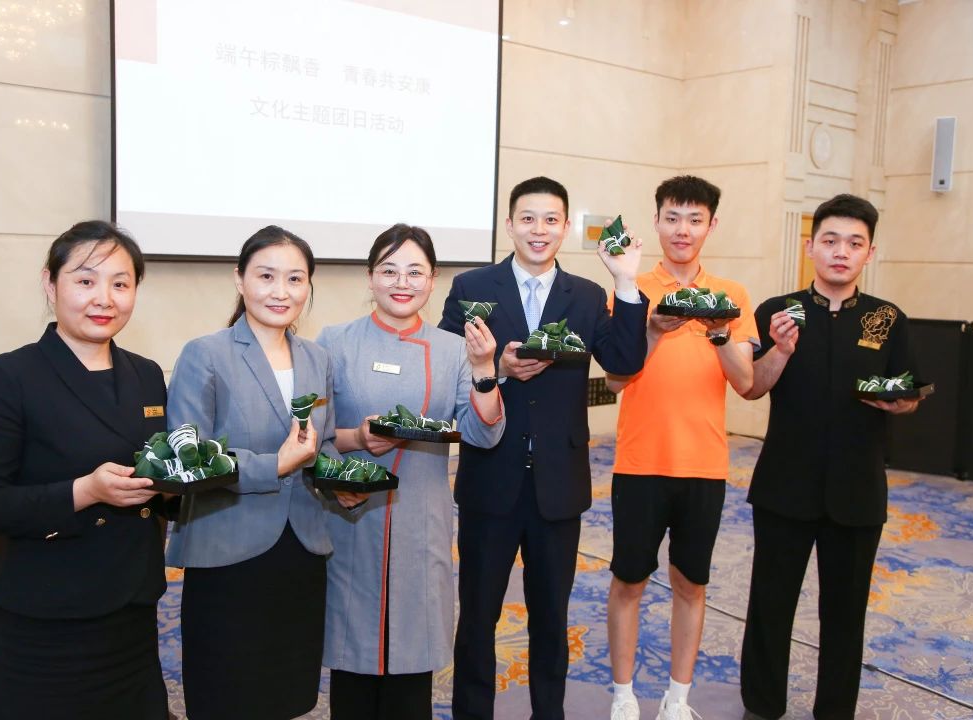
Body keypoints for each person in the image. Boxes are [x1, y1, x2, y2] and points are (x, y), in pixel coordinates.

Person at [439, 176, 648, 720]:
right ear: (509, 224)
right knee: (478, 616)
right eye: (528, 218)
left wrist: (626, 281)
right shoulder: (471, 286)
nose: (539, 230)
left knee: (552, 618)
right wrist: (497, 369)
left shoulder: (587, 294)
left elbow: (625, 361)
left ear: (565, 227)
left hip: (559, 480)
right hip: (491, 475)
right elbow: (441, 371)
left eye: (551, 219)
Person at [0, 221, 170, 720]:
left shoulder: (145, 374)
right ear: (50, 284)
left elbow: (154, 474)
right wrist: (85, 491)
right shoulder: (8, 376)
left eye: (121, 283)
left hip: (134, 607)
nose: (104, 299)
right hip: (51, 617)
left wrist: (179, 485)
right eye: (85, 280)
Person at [740, 194, 921, 720]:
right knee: (770, 604)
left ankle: (835, 710)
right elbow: (752, 387)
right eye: (831, 240)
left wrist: (901, 401)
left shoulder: (887, 318)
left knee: (845, 612)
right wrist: (780, 351)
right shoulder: (778, 312)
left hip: (857, 489)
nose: (841, 252)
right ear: (810, 246)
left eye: (855, 243)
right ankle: (762, 706)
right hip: (784, 484)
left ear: (870, 253)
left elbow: (910, 392)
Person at [165, 226, 357, 720]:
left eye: (295, 278)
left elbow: (321, 442)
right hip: (229, 548)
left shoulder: (317, 358)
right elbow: (189, 457)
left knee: (286, 692)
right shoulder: (206, 354)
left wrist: (340, 484)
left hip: (301, 547)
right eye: (266, 276)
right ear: (240, 279)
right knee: (229, 692)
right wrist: (275, 465)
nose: (281, 291)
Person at [318, 223, 505, 720]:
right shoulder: (334, 342)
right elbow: (313, 435)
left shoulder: (454, 349)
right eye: (389, 271)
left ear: (433, 279)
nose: (402, 283)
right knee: (353, 671)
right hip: (351, 518)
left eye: (415, 272)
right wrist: (358, 439)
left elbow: (483, 434)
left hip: (419, 520)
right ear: (370, 277)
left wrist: (484, 368)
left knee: (410, 672)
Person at [605, 175, 757, 720]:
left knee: (691, 584)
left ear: (711, 225)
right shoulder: (631, 287)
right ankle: (623, 696)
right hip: (639, 462)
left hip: (704, 466)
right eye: (672, 217)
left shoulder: (732, 296)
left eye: (695, 219)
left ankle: (678, 698)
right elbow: (615, 380)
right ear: (657, 221)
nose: (682, 230)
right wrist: (651, 330)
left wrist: (718, 331)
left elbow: (745, 381)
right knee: (629, 581)